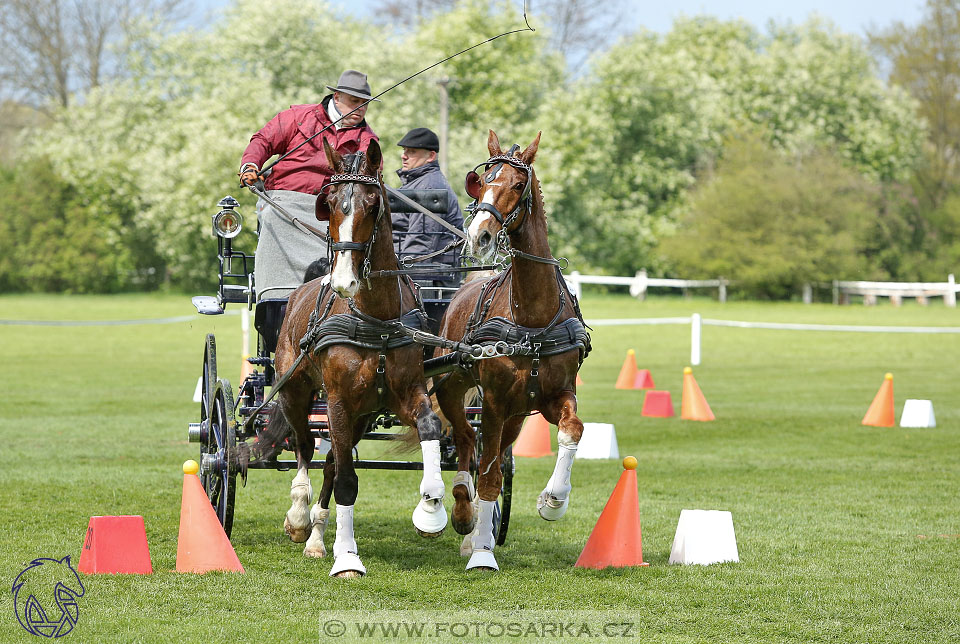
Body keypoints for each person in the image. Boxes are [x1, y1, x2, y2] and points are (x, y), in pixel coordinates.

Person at [239, 69, 379, 300]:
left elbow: (369, 180)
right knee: (272, 215)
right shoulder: (298, 117)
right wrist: (250, 165)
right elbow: (263, 140)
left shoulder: (367, 139)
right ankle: (272, 295)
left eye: (365, 103)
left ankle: (329, 293)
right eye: (355, 101)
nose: (360, 108)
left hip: (328, 211)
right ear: (337, 97)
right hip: (283, 204)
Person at [392, 127, 464, 284]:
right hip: (418, 271)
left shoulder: (430, 187)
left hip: (428, 277)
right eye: (404, 150)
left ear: (431, 156)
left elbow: (421, 243)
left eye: (411, 151)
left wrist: (397, 278)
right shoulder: (419, 183)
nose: (403, 156)